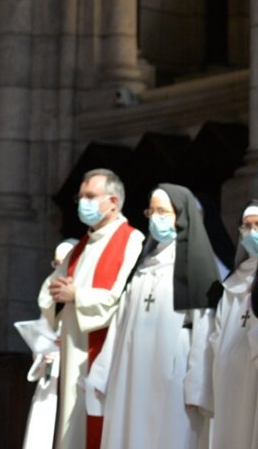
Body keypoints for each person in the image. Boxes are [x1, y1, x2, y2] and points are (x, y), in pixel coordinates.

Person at [89, 184, 217, 449]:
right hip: (130, 370)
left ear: (181, 216)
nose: (155, 218)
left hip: (174, 371)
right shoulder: (143, 266)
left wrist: (197, 386)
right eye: (152, 211)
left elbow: (204, 330)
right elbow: (120, 322)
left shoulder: (195, 268)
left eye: (163, 211)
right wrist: (102, 373)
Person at [37, 168, 143, 449]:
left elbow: (122, 297)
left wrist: (78, 296)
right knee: (73, 427)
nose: (83, 202)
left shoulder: (130, 240)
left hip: (103, 350)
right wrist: (60, 295)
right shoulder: (81, 246)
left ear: (113, 202)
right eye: (81, 196)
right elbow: (49, 293)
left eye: (90, 196)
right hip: (74, 349)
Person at [203, 202, 258, 447]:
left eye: (257, 225)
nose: (251, 232)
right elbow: (216, 334)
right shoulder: (232, 281)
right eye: (246, 227)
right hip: (227, 377)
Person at [17, 239, 77, 449]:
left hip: (73, 380)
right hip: (50, 381)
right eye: (56, 263)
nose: (58, 268)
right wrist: (43, 352)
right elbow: (42, 334)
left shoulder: (81, 294)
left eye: (64, 262)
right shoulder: (50, 296)